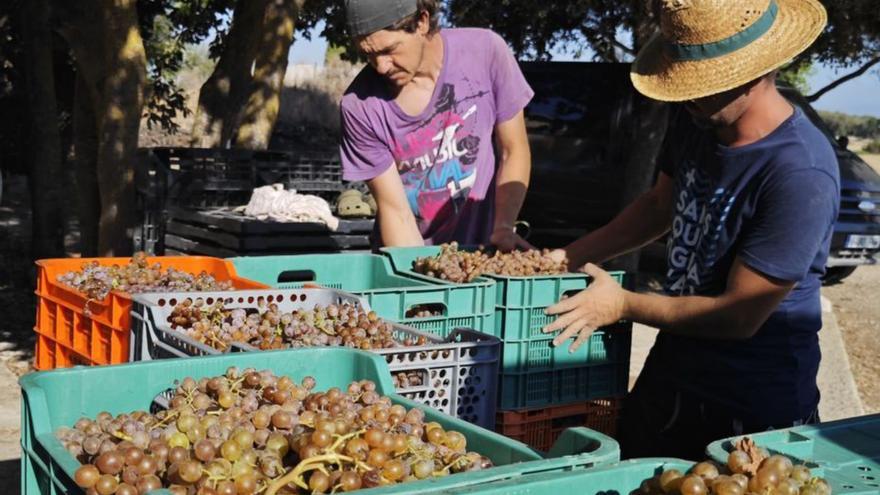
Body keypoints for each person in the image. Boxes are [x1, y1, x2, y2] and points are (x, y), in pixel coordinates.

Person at [543, 0, 837, 459]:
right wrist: (567, 256)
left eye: (705, 84)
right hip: (673, 376)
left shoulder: (800, 172)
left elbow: (740, 315)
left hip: (753, 404)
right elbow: (658, 205)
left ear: (755, 71)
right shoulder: (698, 120)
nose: (689, 96)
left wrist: (621, 304)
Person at [339, 0, 534, 250]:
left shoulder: (485, 52)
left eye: (389, 50)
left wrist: (504, 227)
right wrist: (422, 275)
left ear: (422, 21)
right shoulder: (360, 106)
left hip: (484, 252)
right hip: (409, 252)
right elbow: (395, 211)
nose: (381, 66)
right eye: (368, 55)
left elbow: (513, 150)